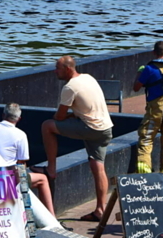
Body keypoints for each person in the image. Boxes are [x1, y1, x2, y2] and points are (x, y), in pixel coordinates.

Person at [41, 56, 113, 222]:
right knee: (98, 167)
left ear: (67, 69)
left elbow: (58, 117)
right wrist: (75, 114)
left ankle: (51, 168)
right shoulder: (88, 77)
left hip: (91, 128)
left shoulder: (69, 87)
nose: (55, 71)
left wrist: (66, 116)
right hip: (106, 128)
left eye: (57, 68)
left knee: (47, 126)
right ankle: (100, 210)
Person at [0, 103, 55, 216]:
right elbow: (22, 163)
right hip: (7, 178)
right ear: (19, 119)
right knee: (43, 179)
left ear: (3, 115)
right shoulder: (20, 135)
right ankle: (52, 218)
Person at [132, 41, 163, 182]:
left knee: (146, 138)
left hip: (155, 108)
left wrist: (140, 73)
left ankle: (144, 167)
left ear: (154, 52)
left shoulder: (148, 69)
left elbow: (136, 87)